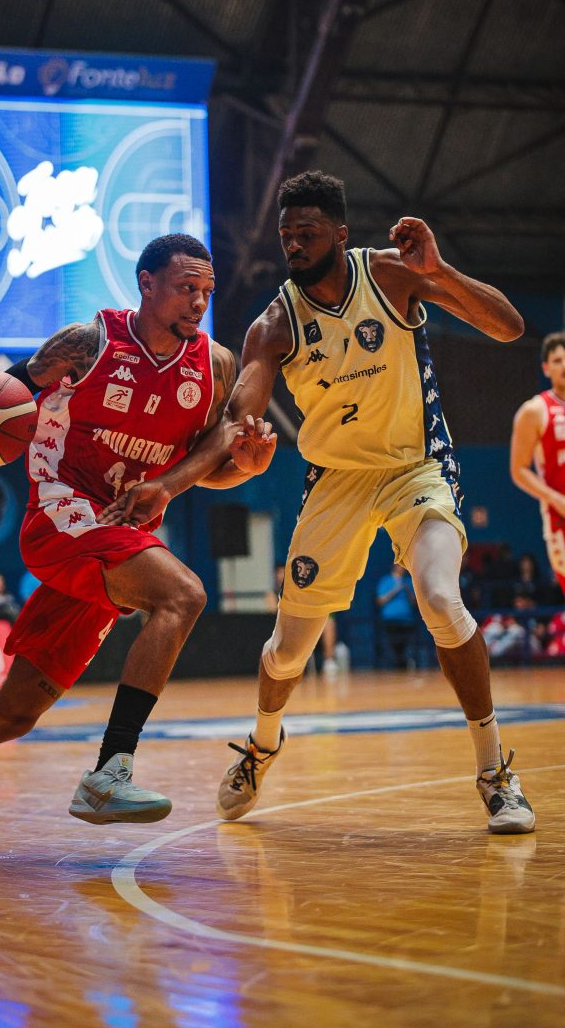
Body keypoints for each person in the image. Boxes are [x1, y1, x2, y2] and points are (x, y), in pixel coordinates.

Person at [102, 169, 536, 836]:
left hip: (416, 466)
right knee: (285, 653)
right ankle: (262, 743)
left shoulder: (391, 274)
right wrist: (174, 482)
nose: (294, 245)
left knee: (441, 599)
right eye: (286, 235)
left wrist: (441, 271)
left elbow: (509, 328)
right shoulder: (274, 324)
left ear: (340, 234)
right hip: (335, 481)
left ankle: (495, 773)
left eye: (307, 233)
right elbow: (235, 425)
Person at [0, 234, 275, 854]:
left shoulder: (215, 367)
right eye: (184, 288)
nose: (198, 302)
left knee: (12, 714)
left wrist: (245, 466)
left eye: (206, 291)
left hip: (119, 538)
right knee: (184, 595)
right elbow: (1, 397)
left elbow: (212, 464)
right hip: (63, 516)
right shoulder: (88, 344)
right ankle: (111, 771)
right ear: (146, 284)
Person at [510, 332, 565, 600]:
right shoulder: (534, 410)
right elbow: (519, 469)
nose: (564, 365)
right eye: (557, 360)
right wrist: (555, 499)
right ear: (546, 368)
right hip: (560, 518)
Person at [375, 562, 418, 669]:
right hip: (391, 620)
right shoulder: (385, 581)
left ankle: (405, 666)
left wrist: (407, 590)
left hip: (407, 620)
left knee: (406, 647)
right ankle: (394, 668)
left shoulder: (408, 581)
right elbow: (380, 601)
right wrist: (395, 590)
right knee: (392, 647)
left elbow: (414, 602)